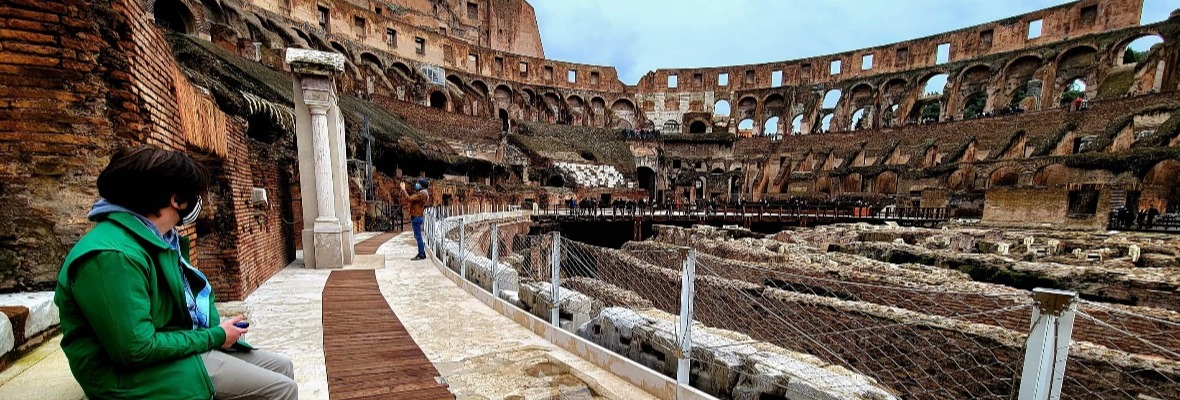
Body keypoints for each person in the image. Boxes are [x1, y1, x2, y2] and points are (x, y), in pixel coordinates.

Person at [54, 145, 297, 400]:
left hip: (166, 351)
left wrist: (217, 330)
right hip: (126, 377)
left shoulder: (158, 240)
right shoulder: (114, 256)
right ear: (175, 198)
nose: (198, 203)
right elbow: (136, 350)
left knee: (283, 367)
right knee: (282, 389)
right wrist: (214, 336)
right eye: (194, 194)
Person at [401, 178, 431, 261]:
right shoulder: (423, 193)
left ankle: (421, 254)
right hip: (417, 216)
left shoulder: (422, 194)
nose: (416, 184)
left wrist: (403, 190)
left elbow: (409, 199)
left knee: (418, 236)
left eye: (418, 183)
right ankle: (422, 252)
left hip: (417, 217)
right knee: (417, 236)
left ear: (421, 186)